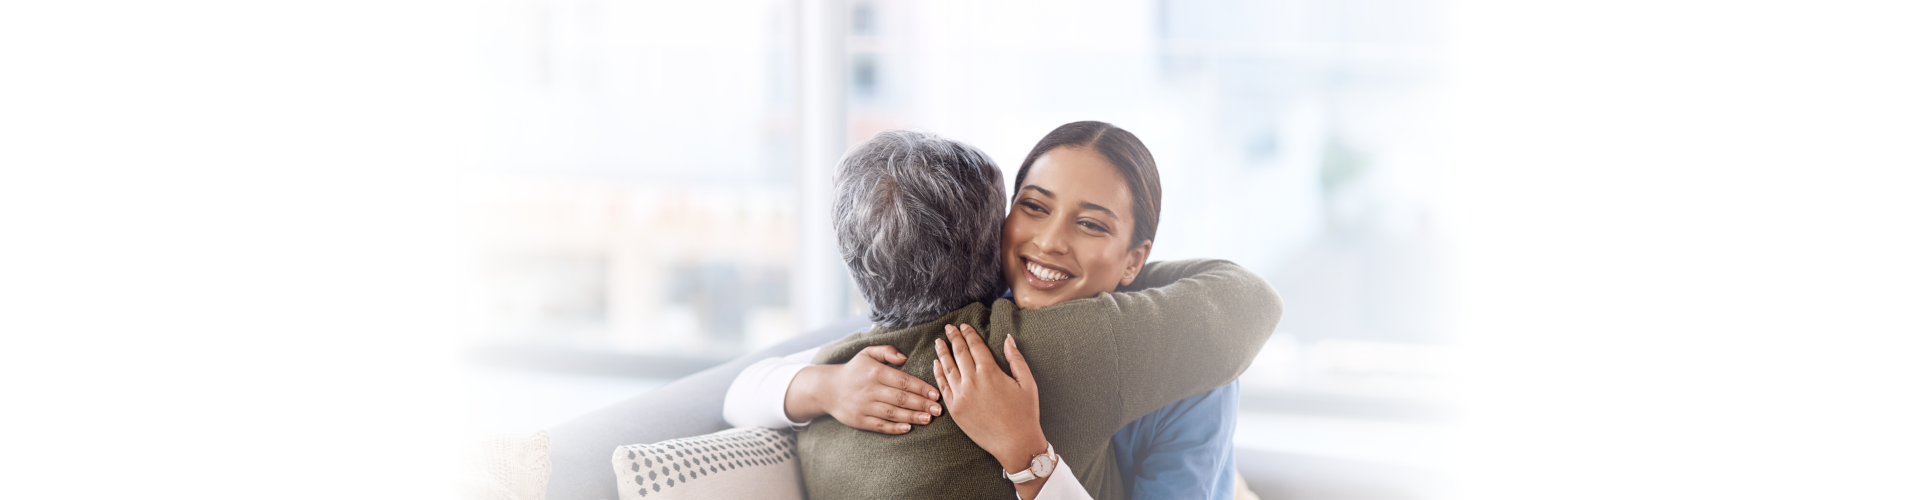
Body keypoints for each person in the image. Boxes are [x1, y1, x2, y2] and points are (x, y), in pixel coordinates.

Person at [724, 123, 1280, 500]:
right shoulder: (972, 312)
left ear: (1135, 259)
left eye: (1091, 225)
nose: (1050, 241)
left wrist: (1028, 455)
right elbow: (746, 389)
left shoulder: (1193, 360)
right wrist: (827, 388)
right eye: (1034, 208)